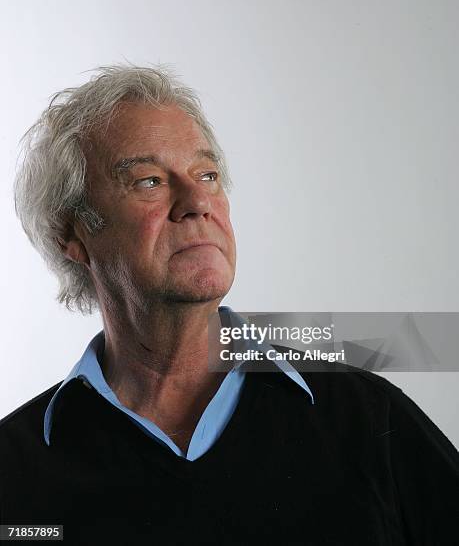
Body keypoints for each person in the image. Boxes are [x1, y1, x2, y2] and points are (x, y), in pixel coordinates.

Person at [1, 64, 458, 545]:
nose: (198, 200)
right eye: (149, 181)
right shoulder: (14, 472)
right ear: (72, 233)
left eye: (207, 174)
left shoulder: (367, 419)